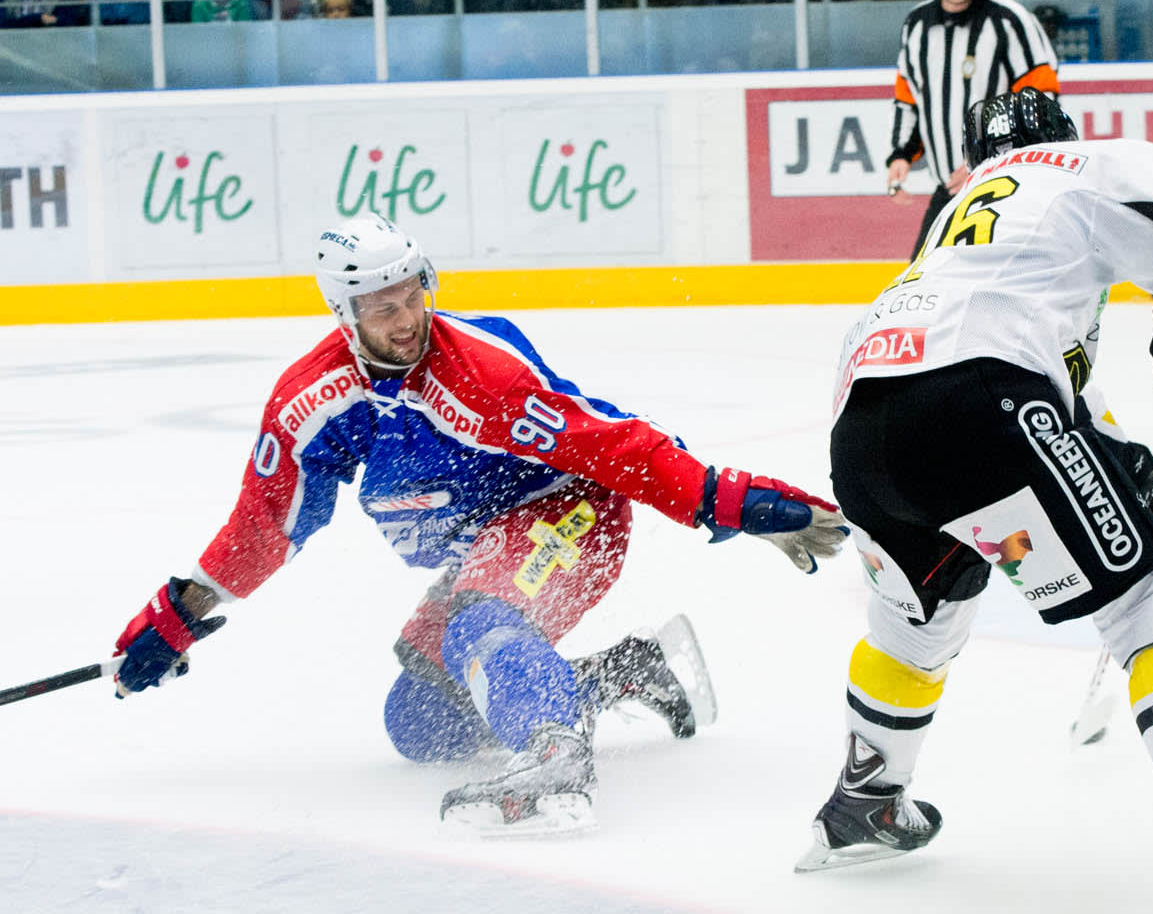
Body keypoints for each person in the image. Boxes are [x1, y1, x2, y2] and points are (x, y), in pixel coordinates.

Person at [108, 213, 847, 834]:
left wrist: (728, 500)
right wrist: (177, 617)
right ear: (344, 314)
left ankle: (555, 750)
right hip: (484, 553)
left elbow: (611, 444)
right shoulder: (316, 400)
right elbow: (267, 523)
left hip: (572, 512)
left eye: (412, 295)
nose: (407, 321)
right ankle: (623, 671)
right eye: (382, 309)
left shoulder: (481, 374)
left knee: (478, 626)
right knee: (419, 723)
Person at [795, 88, 1153, 914]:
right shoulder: (1075, 166)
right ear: (1060, 136)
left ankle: (863, 804)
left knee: (915, 623)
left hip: (864, 431)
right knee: (1149, 602)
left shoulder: (954, 221)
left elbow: (1022, 364)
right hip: (982, 401)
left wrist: (1118, 465)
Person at [886, 0, 1059, 261]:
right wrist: (902, 152)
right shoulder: (917, 24)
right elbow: (908, 94)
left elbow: (1040, 105)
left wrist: (988, 163)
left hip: (1008, 192)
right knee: (923, 280)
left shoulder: (1011, 20)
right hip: (949, 191)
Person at [2, 0, 87, 26]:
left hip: (54, 50)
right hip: (14, 52)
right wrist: (40, 18)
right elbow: (2, 24)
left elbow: (67, 24)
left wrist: (19, 23)